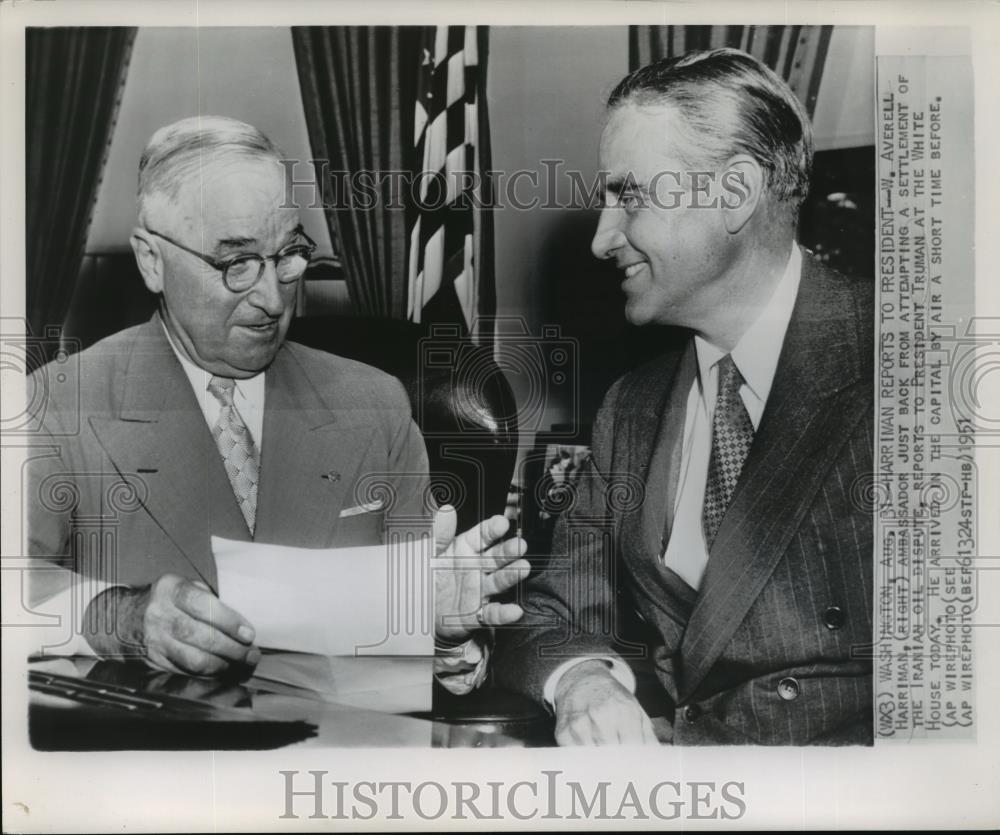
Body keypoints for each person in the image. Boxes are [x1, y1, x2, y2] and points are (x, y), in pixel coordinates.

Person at [26, 116, 528, 691]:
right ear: (152, 261)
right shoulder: (56, 405)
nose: (271, 298)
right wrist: (118, 616)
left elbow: (424, 639)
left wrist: (443, 637)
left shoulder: (375, 404)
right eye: (235, 263)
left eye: (288, 254)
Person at [495, 48, 874, 744]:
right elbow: (551, 616)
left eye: (630, 195)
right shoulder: (631, 410)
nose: (603, 239)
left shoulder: (908, 370)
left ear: (734, 192)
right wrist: (581, 678)